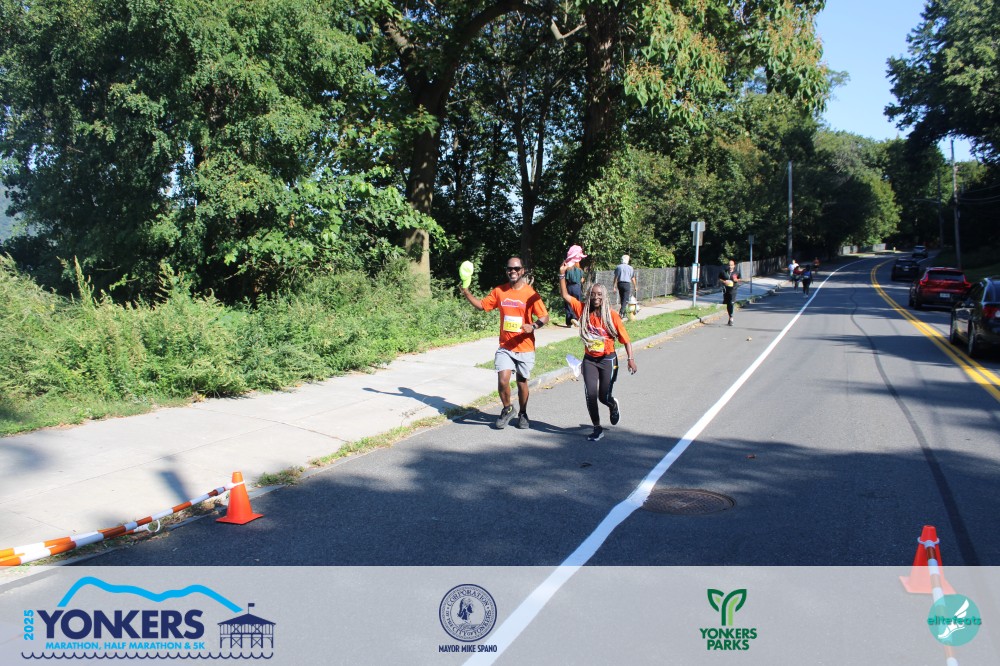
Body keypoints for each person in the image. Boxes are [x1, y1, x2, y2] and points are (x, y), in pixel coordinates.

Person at [462, 257, 549, 430]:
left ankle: (523, 413)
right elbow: (482, 305)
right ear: (506, 271)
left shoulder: (530, 293)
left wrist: (533, 326)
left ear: (522, 270)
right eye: (510, 268)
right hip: (506, 346)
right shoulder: (499, 291)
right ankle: (507, 408)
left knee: (522, 382)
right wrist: (466, 292)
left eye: (516, 268)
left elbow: (544, 316)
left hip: (525, 346)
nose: (513, 271)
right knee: (503, 380)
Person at [559, 261, 638, 442]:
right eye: (593, 294)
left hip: (607, 360)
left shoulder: (612, 316)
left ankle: (612, 405)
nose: (596, 297)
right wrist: (562, 274)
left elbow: (626, 340)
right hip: (590, 360)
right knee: (590, 394)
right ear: (589, 296)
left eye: (599, 294)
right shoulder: (583, 309)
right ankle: (597, 428)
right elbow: (565, 295)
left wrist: (631, 359)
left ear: (604, 297)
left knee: (603, 396)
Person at [718, 258, 741, 326]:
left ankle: (731, 318)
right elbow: (719, 279)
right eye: (729, 265)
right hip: (726, 290)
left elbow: (739, 279)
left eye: (731, 265)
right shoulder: (723, 272)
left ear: (734, 266)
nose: (730, 266)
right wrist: (724, 281)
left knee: (731, 303)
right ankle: (730, 316)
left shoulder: (737, 272)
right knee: (728, 304)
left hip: (733, 289)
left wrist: (736, 280)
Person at [564, 262, 585, 326]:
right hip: (577, 287)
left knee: (568, 303)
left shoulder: (568, 270)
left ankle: (568, 322)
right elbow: (582, 280)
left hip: (569, 287)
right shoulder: (580, 270)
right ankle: (575, 318)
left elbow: (566, 279)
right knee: (577, 303)